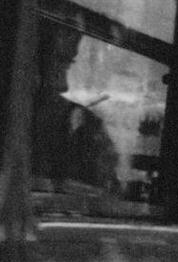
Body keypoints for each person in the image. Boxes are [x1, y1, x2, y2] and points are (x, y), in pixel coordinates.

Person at [30, 18, 119, 196]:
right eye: (58, 61)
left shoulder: (82, 126)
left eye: (67, 63)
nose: (64, 85)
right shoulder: (76, 123)